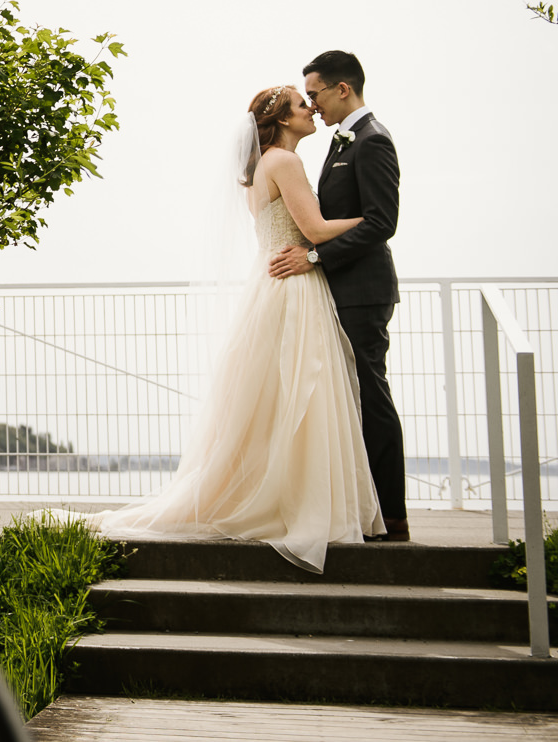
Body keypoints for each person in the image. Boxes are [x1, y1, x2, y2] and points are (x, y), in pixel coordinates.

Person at [82, 85, 384, 573]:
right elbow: (315, 230)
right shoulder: (284, 162)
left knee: (276, 400)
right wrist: (373, 220)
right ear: (283, 120)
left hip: (269, 285)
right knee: (302, 394)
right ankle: (297, 502)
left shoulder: (256, 169)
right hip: (293, 287)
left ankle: (276, 493)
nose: (311, 110)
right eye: (302, 105)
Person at [269, 51, 407, 541]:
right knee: (347, 401)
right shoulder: (340, 141)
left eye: (316, 94)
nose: (314, 105)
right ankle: (358, 507)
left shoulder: (372, 141)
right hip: (338, 290)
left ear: (342, 89)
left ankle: (392, 515)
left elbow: (381, 223)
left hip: (364, 292)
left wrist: (312, 259)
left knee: (370, 396)